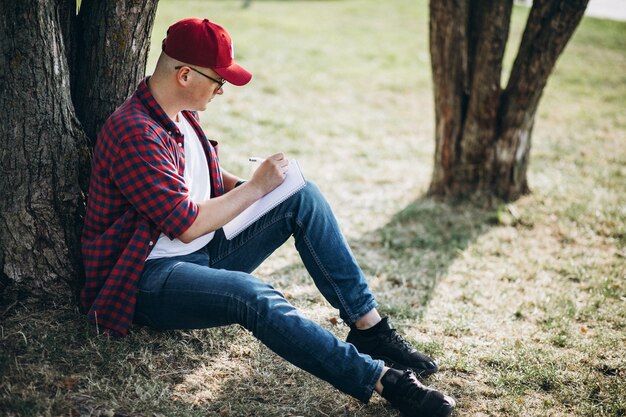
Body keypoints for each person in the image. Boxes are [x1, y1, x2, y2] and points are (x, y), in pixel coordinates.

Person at [80, 17, 456, 417]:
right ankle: (382, 379)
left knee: (301, 196)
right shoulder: (133, 131)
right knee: (251, 294)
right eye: (218, 80)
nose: (222, 90)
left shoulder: (181, 114)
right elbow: (186, 224)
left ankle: (371, 330)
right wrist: (256, 188)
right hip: (148, 278)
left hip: (201, 254)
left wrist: (267, 190)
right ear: (185, 74)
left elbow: (200, 176)